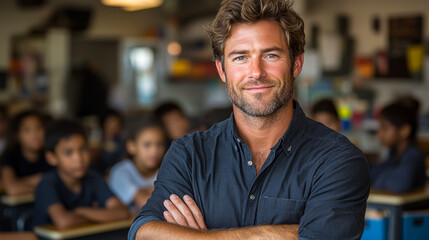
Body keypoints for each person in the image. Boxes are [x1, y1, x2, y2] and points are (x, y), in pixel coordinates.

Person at [129, 0, 369, 239]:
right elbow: (144, 233)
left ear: (296, 64)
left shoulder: (337, 160)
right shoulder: (188, 155)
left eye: (271, 55)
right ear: (222, 70)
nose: (256, 72)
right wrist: (280, 234)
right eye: (240, 58)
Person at [33, 119, 129, 229]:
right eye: (68, 153)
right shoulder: (46, 184)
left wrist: (81, 212)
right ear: (51, 158)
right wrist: (100, 215)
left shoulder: (94, 178)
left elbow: (122, 213)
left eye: (82, 149)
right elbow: (64, 221)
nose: (78, 159)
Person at [109, 117, 166, 211]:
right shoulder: (120, 172)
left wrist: (146, 191)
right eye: (147, 145)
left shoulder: (166, 170)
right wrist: (156, 190)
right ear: (131, 146)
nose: (154, 151)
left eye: (159, 144)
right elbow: (145, 204)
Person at [370, 101, 426, 193]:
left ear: (405, 130)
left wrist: (377, 180)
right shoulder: (394, 155)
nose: (379, 133)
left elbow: (399, 184)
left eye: (385, 128)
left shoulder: (414, 156)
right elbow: (372, 174)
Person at [0, 110, 51, 196]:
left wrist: (18, 182)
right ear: (16, 135)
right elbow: (12, 189)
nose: (35, 134)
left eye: (39, 127)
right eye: (27, 130)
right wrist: (37, 180)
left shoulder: (51, 155)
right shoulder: (9, 157)